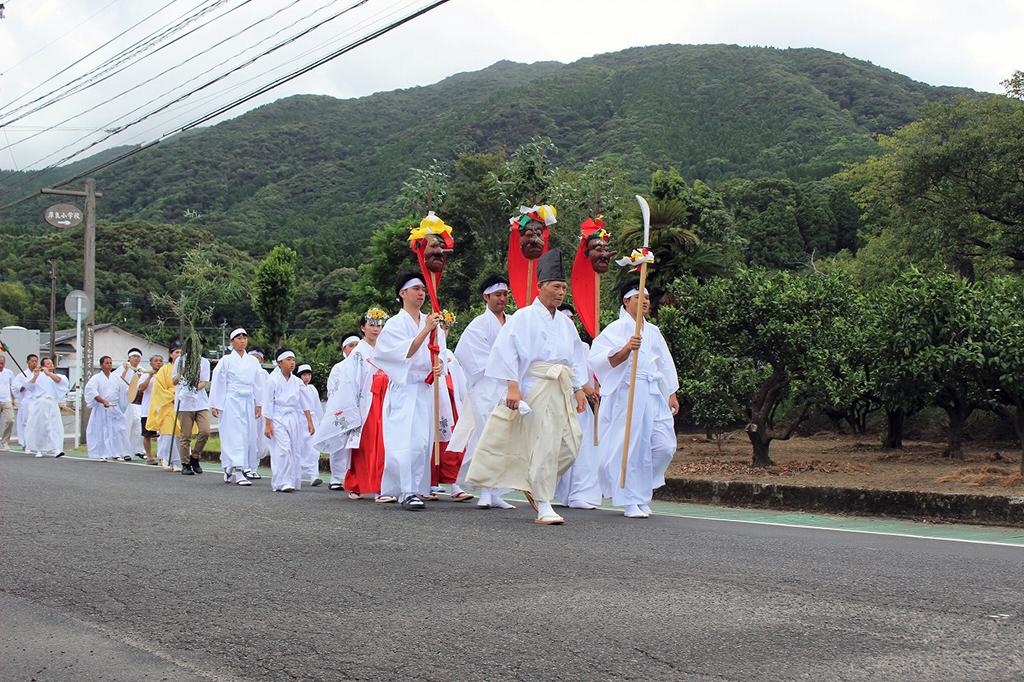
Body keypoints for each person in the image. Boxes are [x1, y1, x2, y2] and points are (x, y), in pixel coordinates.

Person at [466, 249, 587, 525]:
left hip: (561, 385)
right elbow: (506, 352)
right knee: (544, 444)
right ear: (541, 286)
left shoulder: (566, 325)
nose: (560, 293)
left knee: (571, 444)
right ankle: (544, 504)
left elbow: (576, 356)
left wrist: (578, 387)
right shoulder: (522, 317)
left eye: (564, 288)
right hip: (535, 385)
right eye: (556, 287)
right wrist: (512, 387)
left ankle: (534, 482)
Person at [590, 281, 680, 518]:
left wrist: (670, 392)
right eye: (639, 297)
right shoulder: (616, 329)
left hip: (652, 391)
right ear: (626, 302)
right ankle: (630, 499)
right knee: (631, 446)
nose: (646, 301)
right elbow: (600, 361)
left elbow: (664, 363)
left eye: (648, 297)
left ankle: (641, 489)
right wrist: (626, 348)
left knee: (664, 445)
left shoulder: (654, 332)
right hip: (627, 392)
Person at [374, 271, 449, 511]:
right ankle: (406, 490)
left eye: (423, 289)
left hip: (424, 389)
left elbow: (441, 353)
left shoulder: (431, 322)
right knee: (405, 441)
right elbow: (401, 353)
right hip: (405, 389)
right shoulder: (396, 324)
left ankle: (414, 487)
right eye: (416, 288)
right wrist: (426, 330)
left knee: (422, 443)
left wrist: (439, 365)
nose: (421, 293)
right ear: (402, 293)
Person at [451, 274, 516, 510]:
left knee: (505, 438)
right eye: (498, 294)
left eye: (505, 294)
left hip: (508, 386)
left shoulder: (513, 322)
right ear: (486, 296)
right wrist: (503, 365)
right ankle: (486, 490)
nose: (502, 298)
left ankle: (498, 491)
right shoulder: (478, 324)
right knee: (486, 436)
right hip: (487, 388)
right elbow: (468, 355)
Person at [315, 309, 390, 499]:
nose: (376, 329)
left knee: (383, 445)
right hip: (366, 403)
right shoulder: (358, 353)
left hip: (385, 401)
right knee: (367, 446)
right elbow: (350, 382)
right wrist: (352, 408)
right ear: (362, 328)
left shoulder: (385, 348)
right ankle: (365, 485)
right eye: (371, 325)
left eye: (379, 325)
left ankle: (371, 485)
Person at [553, 303, 603, 510]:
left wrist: (594, 386)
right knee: (560, 447)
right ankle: (560, 491)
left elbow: (586, 370)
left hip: (579, 404)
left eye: (572, 319)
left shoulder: (582, 347)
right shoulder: (550, 346)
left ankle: (581, 492)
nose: (569, 323)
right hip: (556, 397)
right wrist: (582, 387)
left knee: (583, 448)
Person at [209, 329, 263, 486]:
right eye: (239, 338)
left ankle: (230, 466)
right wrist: (216, 404)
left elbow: (258, 384)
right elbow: (219, 382)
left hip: (248, 401)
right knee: (234, 435)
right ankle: (239, 472)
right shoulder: (226, 360)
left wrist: (259, 403)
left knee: (247, 436)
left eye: (245, 338)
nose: (242, 341)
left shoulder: (253, 361)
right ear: (232, 342)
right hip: (231, 401)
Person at [430, 311, 474, 502]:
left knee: (454, 446)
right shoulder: (427, 351)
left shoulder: (450, 355)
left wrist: (465, 401)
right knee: (430, 445)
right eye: (440, 327)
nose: (444, 331)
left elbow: (461, 382)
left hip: (450, 404)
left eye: (446, 328)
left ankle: (455, 485)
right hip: (432, 403)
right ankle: (428, 484)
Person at [263, 350, 314, 493]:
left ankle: (292, 480)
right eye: (288, 359)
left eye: (293, 360)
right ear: (280, 362)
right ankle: (282, 481)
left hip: (293, 418)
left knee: (293, 449)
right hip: (278, 417)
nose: (292, 362)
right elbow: (268, 403)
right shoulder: (272, 380)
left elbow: (305, 404)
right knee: (283, 450)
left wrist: (310, 422)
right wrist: (268, 425)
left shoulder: (297, 382)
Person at [172, 341, 212, 478]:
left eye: (200, 345)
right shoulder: (180, 360)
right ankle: (185, 463)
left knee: (205, 431)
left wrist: (193, 387)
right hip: (184, 403)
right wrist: (181, 373)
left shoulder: (204, 362)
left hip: (200, 402)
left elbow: (204, 381)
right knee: (186, 435)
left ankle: (195, 456)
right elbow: (174, 381)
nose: (198, 347)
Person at [84, 355, 131, 462]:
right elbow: (92, 391)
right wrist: (103, 401)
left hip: (114, 408)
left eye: (110, 363)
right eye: (106, 363)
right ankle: (102, 453)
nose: (109, 365)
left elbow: (123, 391)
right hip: (101, 408)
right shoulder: (96, 378)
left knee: (118, 430)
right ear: (101, 365)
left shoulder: (116, 378)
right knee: (102, 431)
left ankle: (118, 452)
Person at [23, 357, 69, 457]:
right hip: (40, 403)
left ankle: (56, 448)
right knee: (41, 426)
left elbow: (59, 381)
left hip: (52, 403)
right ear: (43, 366)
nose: (51, 365)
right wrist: (35, 376)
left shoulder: (57, 375)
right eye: (48, 364)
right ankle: (40, 449)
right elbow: (29, 387)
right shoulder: (37, 375)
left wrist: (48, 373)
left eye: (52, 363)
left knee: (54, 426)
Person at [148, 343, 183, 471]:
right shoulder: (164, 370)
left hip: (181, 406)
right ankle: (167, 459)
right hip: (168, 406)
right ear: (171, 355)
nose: (179, 355)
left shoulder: (185, 369)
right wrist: (174, 395)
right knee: (168, 434)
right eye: (176, 352)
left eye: (181, 353)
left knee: (180, 435)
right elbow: (159, 389)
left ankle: (179, 461)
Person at [295, 364, 324, 487]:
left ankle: (314, 476)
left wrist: (321, 423)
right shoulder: (296, 387)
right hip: (300, 420)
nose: (307, 378)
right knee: (300, 448)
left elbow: (317, 407)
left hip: (313, 420)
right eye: (304, 375)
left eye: (309, 375)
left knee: (313, 449)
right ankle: (297, 475)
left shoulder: (312, 389)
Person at [244, 349, 270, 478]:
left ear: (261, 360)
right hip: (245, 408)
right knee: (247, 437)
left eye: (257, 358)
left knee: (259, 438)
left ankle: (254, 466)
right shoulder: (244, 372)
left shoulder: (264, 374)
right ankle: (244, 466)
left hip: (261, 410)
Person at [119, 348, 147, 459]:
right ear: (129, 358)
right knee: (127, 426)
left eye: (138, 356)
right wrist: (126, 371)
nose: (136, 358)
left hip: (139, 402)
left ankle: (139, 449)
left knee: (139, 425)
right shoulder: (124, 369)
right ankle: (125, 452)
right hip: (127, 402)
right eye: (133, 356)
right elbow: (120, 382)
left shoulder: (142, 370)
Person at [139, 354, 163, 464]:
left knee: (163, 434)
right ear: (151, 363)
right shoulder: (145, 375)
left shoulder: (165, 375)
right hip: (148, 409)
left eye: (160, 361)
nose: (158, 363)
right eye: (156, 361)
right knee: (147, 434)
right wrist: (149, 376)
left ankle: (162, 456)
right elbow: (141, 388)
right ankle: (149, 456)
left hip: (162, 409)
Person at [13, 354, 40, 450]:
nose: (34, 363)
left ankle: (35, 443)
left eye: (36, 361)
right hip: (26, 401)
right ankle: (25, 442)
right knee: (25, 422)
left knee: (36, 422)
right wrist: (25, 385)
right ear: (28, 362)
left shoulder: (39, 374)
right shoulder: (21, 375)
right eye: (32, 361)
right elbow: (16, 388)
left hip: (37, 401)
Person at [0, 354, 15, 449]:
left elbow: (13, 386)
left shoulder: (9, 373)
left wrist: (15, 399)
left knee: (10, 420)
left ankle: (4, 441)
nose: (0, 365)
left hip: (6, 400)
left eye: (2, 363)